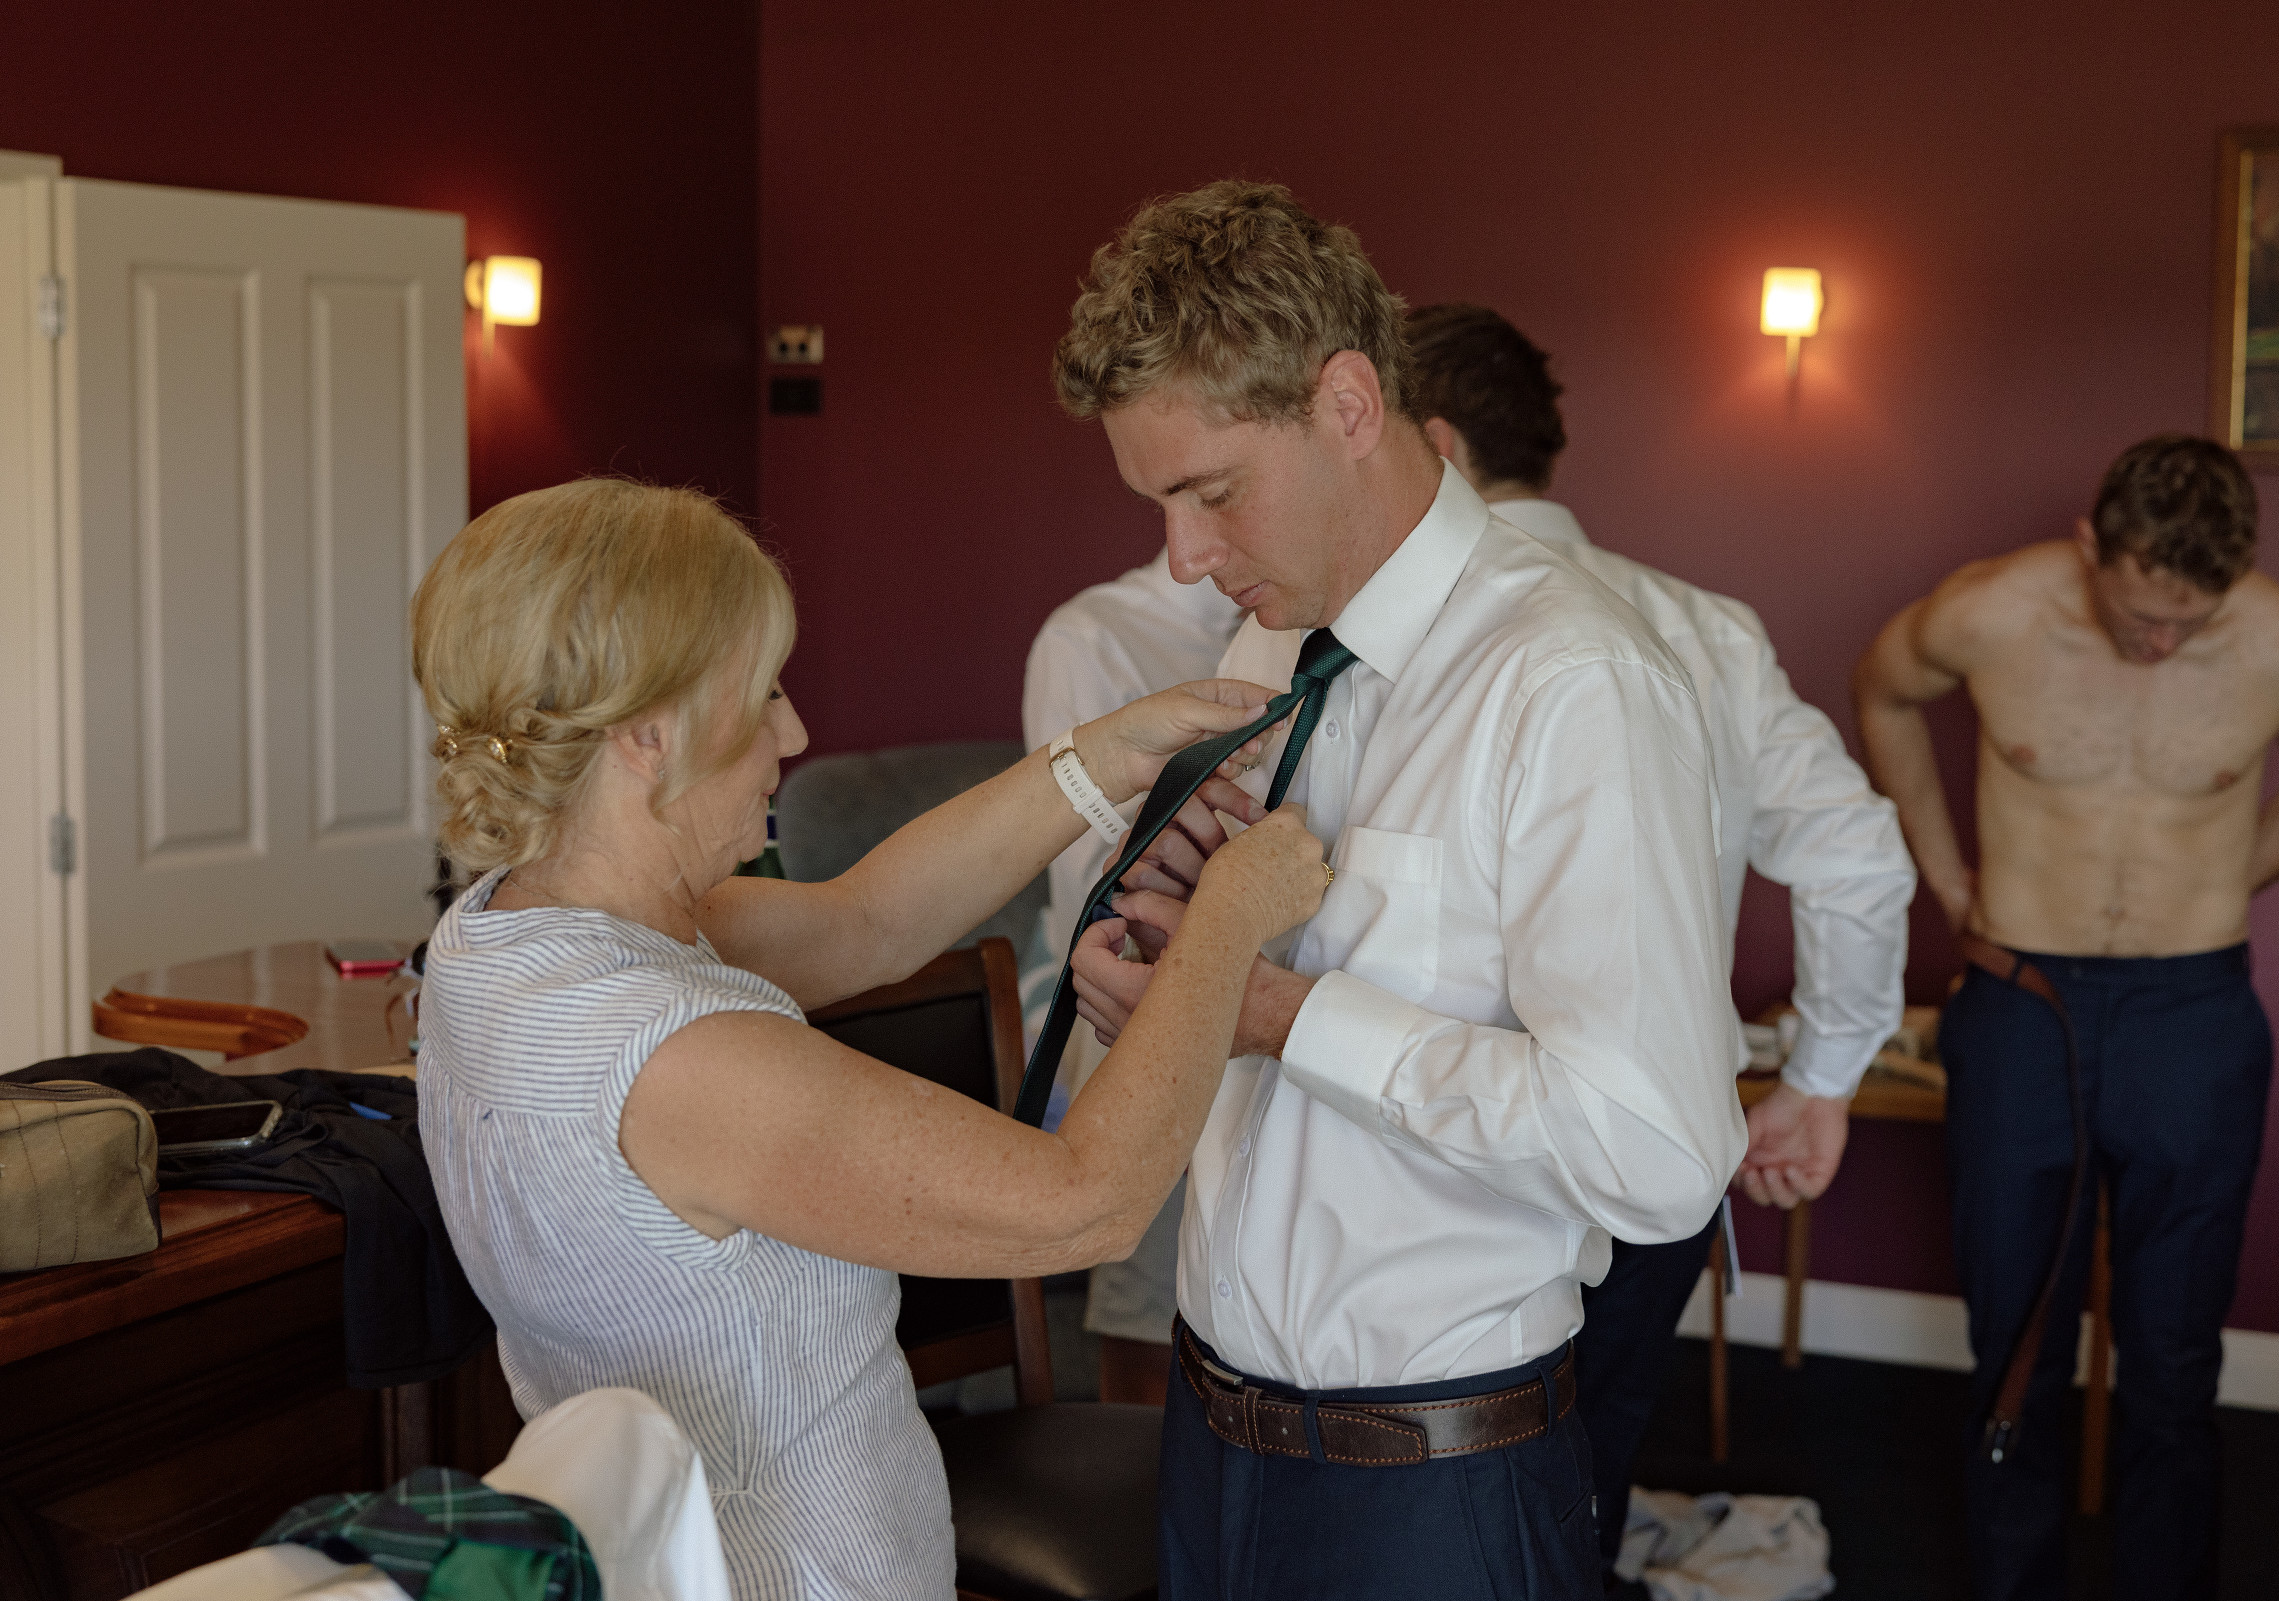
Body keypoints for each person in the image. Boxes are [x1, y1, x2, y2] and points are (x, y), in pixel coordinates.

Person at [408, 478, 1330, 1601]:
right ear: (649, 734)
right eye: (762, 692)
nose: (793, 732)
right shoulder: (680, 1055)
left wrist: (1105, 754)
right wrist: (1228, 919)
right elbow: (1086, 1200)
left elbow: (868, 921)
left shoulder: (504, 941)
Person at [1057, 181, 1745, 1600]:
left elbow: (1659, 1149)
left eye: (1212, 492)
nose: (1183, 556)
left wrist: (1282, 1015)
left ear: (1350, 405)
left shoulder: (1573, 679)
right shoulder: (1270, 652)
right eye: (1158, 503)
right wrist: (1176, 972)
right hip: (1210, 1432)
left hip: (1432, 1488)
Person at [1406, 301, 1917, 1593]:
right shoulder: (1707, 627)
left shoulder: (1404, 633)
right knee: (1594, 1455)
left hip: (1460, 1153)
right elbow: (1858, 852)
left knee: (1447, 1496)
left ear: (1437, 445)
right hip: (1660, 1131)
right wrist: (1820, 1082)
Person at [1853, 436, 2279, 1601]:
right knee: (2014, 1343)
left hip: (2192, 1011)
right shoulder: (1991, 610)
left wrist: (2230, 876)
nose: (2161, 644)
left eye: (2191, 622)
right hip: (2023, 1003)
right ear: (2093, 544)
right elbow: (1882, 690)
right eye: (2142, 615)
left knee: (2174, 1357)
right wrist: (1945, 875)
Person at [1021, 553, 1245, 1402]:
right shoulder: (1092, 639)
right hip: (1141, 1005)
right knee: (1154, 1347)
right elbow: (1094, 901)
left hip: (1281, 1016)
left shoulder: (1327, 629)